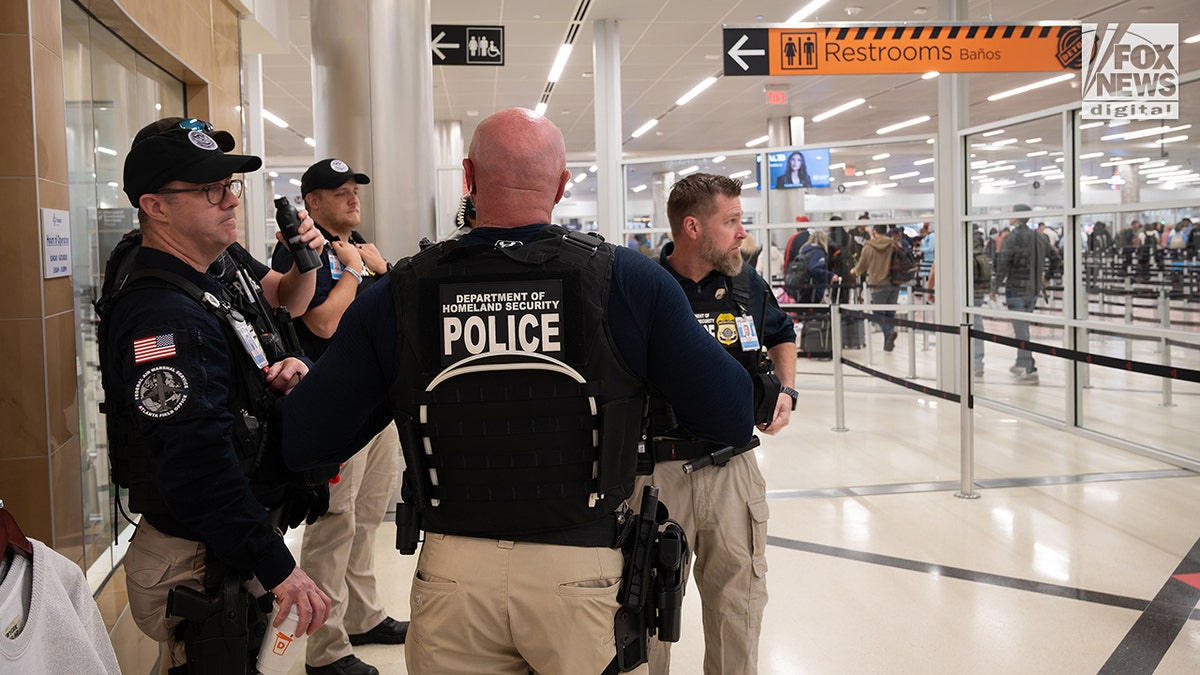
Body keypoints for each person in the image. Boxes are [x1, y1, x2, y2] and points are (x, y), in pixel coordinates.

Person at [282, 108, 754, 675]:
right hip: (582, 573)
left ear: (467, 178)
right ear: (560, 186)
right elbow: (730, 414)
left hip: (454, 572)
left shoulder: (402, 290)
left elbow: (305, 437)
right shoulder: (628, 280)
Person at [98, 117, 332, 672]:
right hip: (199, 559)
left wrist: (275, 373)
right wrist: (280, 567)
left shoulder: (209, 268)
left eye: (231, 186)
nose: (230, 200)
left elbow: (274, 317)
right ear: (156, 207)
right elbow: (196, 468)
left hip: (227, 543)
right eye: (211, 190)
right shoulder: (162, 314)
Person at [638, 173, 796, 675]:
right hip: (658, 472)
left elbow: (782, 333)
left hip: (735, 468)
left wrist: (787, 392)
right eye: (731, 221)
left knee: (738, 607)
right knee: (646, 609)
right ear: (692, 227)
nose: (742, 232)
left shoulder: (747, 284)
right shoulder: (643, 289)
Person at [271, 158, 407, 675]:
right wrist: (355, 270)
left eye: (355, 190)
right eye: (340, 191)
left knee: (367, 518)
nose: (353, 198)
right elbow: (324, 324)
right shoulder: (303, 253)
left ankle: (363, 617)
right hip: (336, 410)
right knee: (334, 525)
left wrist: (380, 268)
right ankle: (326, 650)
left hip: (377, 406)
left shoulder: (358, 245)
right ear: (311, 203)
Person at [992, 204, 1058, 385]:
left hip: (1016, 289)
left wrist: (994, 287)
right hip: (1034, 290)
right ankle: (1022, 362)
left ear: (1016, 216)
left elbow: (1003, 266)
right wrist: (1046, 278)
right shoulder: (1040, 237)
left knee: (1021, 330)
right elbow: (1056, 259)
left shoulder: (1010, 238)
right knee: (1022, 328)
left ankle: (1029, 367)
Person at [851, 224, 900, 351]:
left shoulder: (869, 247)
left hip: (878, 284)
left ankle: (889, 333)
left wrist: (853, 271)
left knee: (878, 314)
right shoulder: (894, 244)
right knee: (890, 314)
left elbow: (861, 267)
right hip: (894, 283)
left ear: (874, 231)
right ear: (886, 231)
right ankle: (888, 342)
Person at [797, 230, 840, 305]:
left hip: (801, 288)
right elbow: (814, 268)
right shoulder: (818, 252)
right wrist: (830, 275)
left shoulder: (804, 251)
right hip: (813, 290)